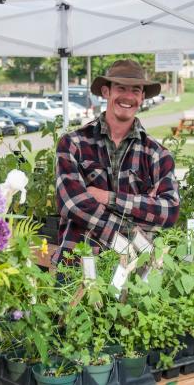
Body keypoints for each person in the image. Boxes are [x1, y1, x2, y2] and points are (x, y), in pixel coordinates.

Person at [53, 59, 180, 263]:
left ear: (143, 97)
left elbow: (169, 211)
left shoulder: (157, 154)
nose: (128, 97)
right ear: (106, 92)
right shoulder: (73, 144)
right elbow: (72, 204)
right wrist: (131, 228)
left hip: (133, 270)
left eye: (136, 90)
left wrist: (107, 198)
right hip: (77, 262)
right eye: (121, 88)